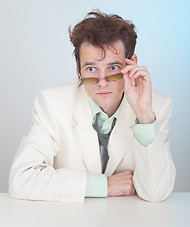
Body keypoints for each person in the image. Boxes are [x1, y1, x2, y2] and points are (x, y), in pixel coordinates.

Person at [8, 10, 176, 203]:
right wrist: (103, 185)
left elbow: (156, 192)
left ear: (132, 64)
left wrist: (144, 116)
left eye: (113, 68)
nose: (102, 82)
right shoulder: (52, 103)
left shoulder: (156, 107)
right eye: (91, 69)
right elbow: (21, 179)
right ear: (78, 69)